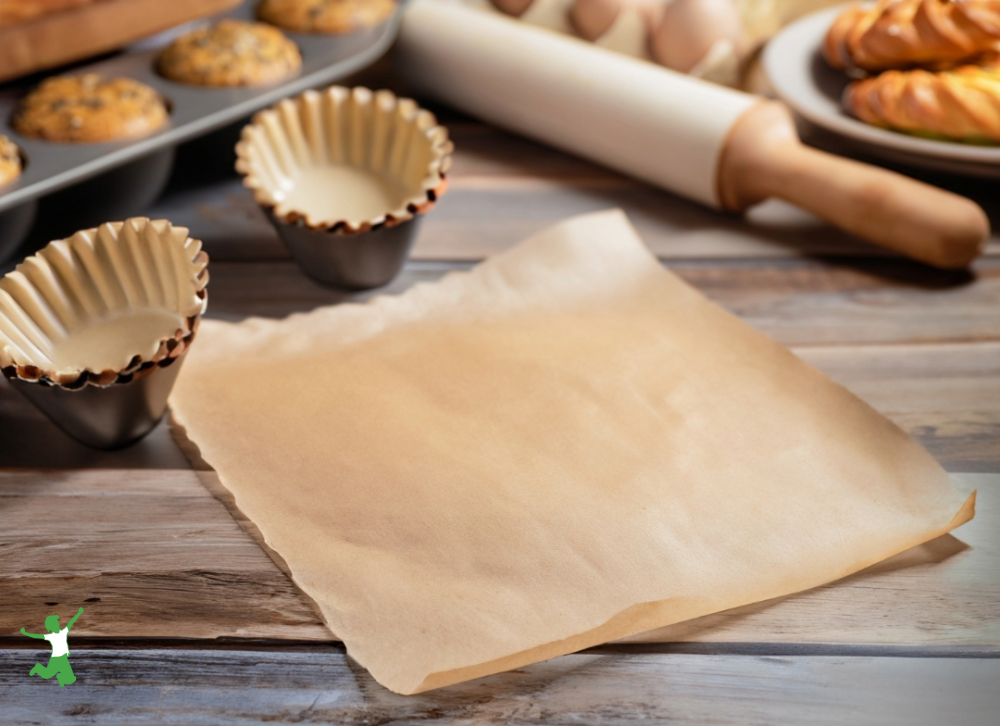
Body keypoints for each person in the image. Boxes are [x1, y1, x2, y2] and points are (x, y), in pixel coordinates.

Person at [20, 607, 83, 686]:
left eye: (56, 622)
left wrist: (79, 612)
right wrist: (25, 633)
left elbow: (72, 621)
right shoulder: (50, 636)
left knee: (71, 679)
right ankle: (38, 667)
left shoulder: (63, 632)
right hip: (55, 659)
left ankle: (60, 677)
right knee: (47, 675)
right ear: (50, 627)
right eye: (53, 624)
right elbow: (37, 636)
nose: (55, 624)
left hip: (63, 658)